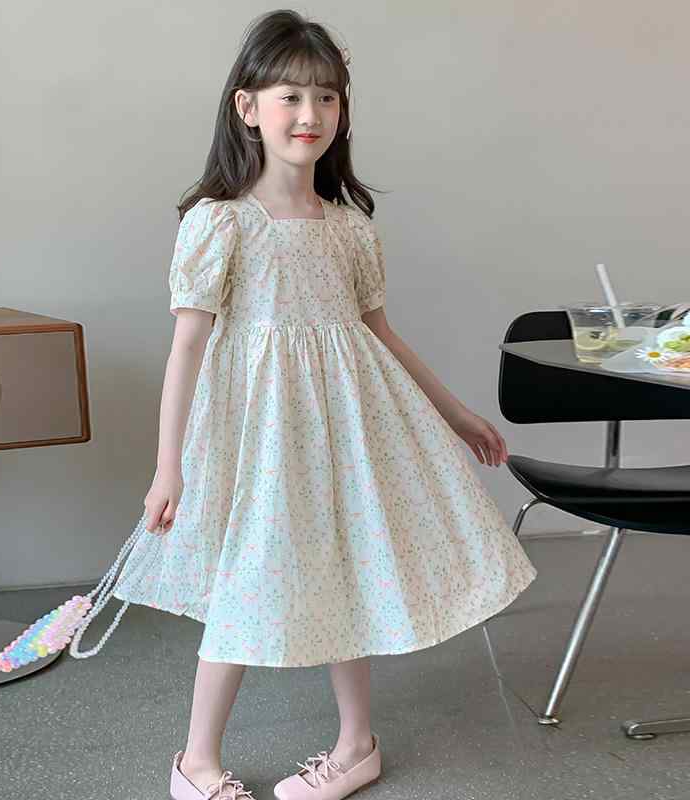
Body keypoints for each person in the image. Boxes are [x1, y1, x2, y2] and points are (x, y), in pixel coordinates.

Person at [71, 10, 538, 800]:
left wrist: (456, 414)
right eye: (290, 95)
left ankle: (357, 746)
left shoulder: (351, 229)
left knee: (345, 571)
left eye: (326, 97)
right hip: (257, 437)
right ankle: (196, 762)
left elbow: (380, 333)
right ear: (248, 107)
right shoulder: (221, 224)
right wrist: (168, 469)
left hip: (347, 431)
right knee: (244, 584)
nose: (310, 114)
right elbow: (187, 348)